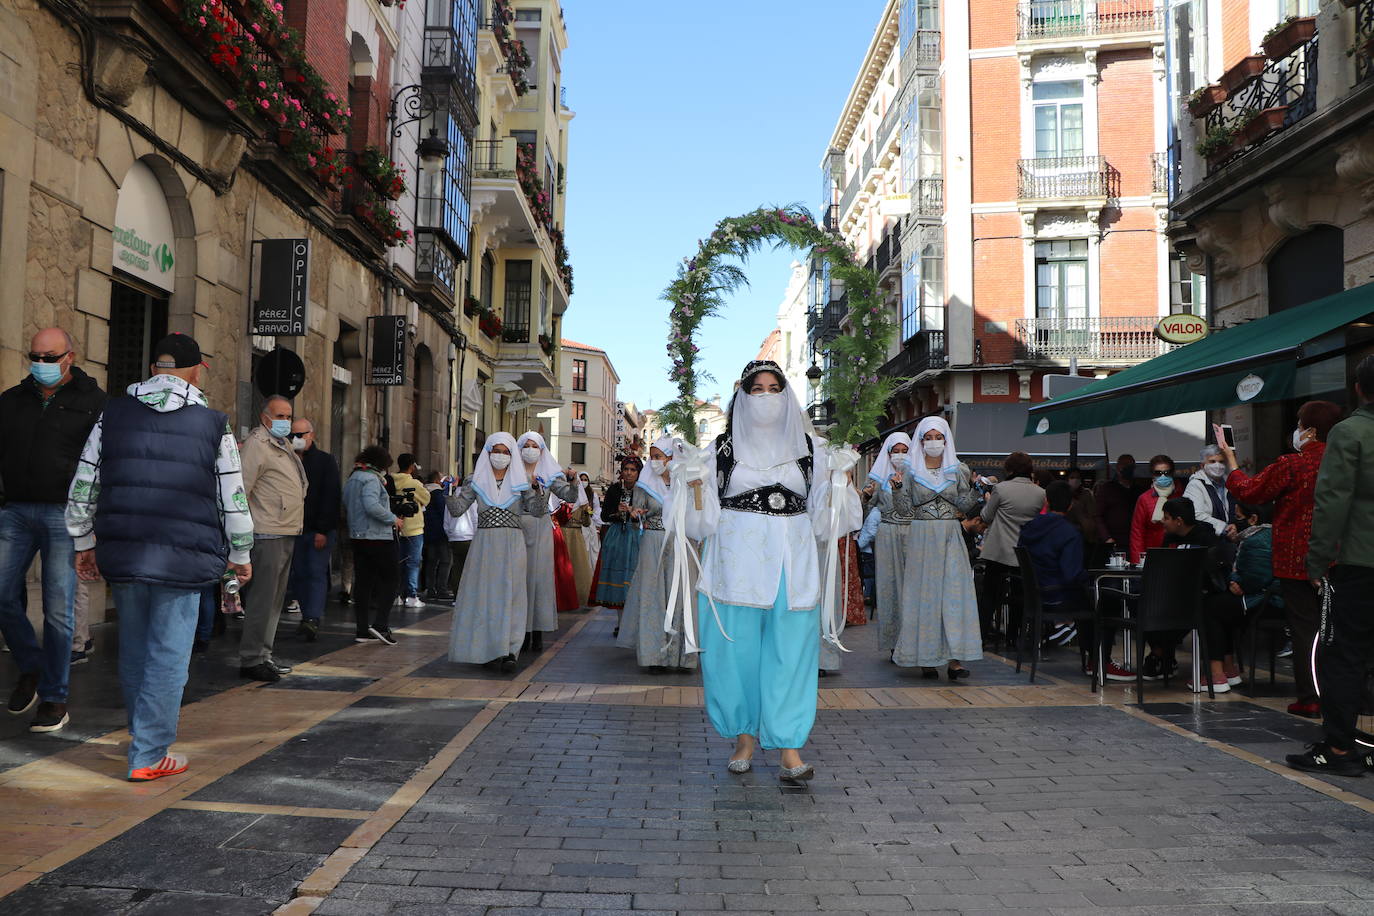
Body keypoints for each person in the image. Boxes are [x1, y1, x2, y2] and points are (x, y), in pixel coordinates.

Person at [65, 333, 253, 780]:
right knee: (168, 655)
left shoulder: (113, 413)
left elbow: (84, 481)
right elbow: (233, 495)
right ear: (195, 371)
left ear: (154, 370)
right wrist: (241, 551)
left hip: (125, 550)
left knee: (134, 650)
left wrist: (83, 541)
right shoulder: (212, 424)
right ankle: (149, 754)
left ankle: (141, 739)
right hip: (184, 557)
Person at [677, 360, 859, 782]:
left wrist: (839, 481)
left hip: (791, 566)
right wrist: (691, 485)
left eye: (773, 387)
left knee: (791, 654)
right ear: (742, 394)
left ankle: (789, 748)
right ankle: (743, 738)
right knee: (733, 655)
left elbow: (829, 521)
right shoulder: (719, 452)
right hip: (734, 566)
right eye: (756, 388)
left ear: (786, 394)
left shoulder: (812, 451)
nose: (765, 396)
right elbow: (698, 523)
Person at [0, 327, 107, 732]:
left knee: (58, 610)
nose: (41, 364)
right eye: (36, 356)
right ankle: (31, 666)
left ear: (69, 357)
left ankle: (55, 698)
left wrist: (93, 521)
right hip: (15, 511)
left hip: (66, 515)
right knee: (2, 593)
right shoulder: (12, 401)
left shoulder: (94, 403)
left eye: (50, 357)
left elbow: (102, 463)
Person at [1219, 401, 1342, 718]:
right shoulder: (1344, 461)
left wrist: (1230, 458)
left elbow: (1249, 490)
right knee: (1340, 629)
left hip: (1296, 558)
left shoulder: (1293, 464)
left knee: (1305, 628)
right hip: (1341, 556)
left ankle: (1310, 697)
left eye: (1300, 424)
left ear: (1311, 430)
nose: (1297, 430)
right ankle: (1344, 694)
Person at [1286, 361, 1374, 777]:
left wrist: (1317, 558)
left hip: (1359, 560)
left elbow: (1333, 500)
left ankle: (1340, 747)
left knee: (1344, 655)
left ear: (1358, 389)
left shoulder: (1351, 432)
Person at [892, 417, 984, 679]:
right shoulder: (909, 471)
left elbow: (965, 506)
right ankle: (927, 659)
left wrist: (978, 488)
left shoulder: (958, 470)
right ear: (920, 441)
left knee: (954, 596)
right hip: (922, 536)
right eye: (928, 437)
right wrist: (897, 490)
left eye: (938, 436)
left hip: (950, 535)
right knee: (926, 596)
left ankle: (955, 661)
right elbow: (904, 511)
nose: (934, 442)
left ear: (946, 439)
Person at [446, 433, 539, 672]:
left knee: (513, 595)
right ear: (488, 453)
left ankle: (510, 650)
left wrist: (538, 489)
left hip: (513, 544)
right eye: (496, 451)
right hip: (485, 544)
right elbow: (457, 510)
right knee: (486, 596)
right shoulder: (474, 480)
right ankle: (488, 648)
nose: (501, 456)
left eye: (506, 452)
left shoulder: (522, 481)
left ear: (512, 455)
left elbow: (538, 510)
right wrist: (446, 491)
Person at [237, 395, 307, 682]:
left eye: (289, 416)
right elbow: (242, 486)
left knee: (275, 601)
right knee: (263, 600)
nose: (286, 421)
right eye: (280, 416)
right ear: (265, 417)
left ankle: (264, 654)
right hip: (267, 530)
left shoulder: (283, 444)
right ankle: (252, 657)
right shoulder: (258, 444)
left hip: (286, 528)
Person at [618, 436, 696, 673]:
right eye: (651, 457)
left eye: (657, 457)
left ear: (671, 457)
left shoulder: (688, 481)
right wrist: (635, 513)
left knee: (681, 596)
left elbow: (697, 510)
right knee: (654, 596)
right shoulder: (645, 484)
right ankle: (655, 656)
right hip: (652, 542)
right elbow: (637, 511)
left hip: (682, 544)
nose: (653, 462)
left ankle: (682, 656)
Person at [1195, 503, 1277, 695]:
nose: (1233, 523)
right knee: (1223, 606)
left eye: (1238, 518)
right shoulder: (1273, 535)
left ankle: (1216, 674)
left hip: (1261, 601)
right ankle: (1229, 669)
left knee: (1210, 608)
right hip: (1268, 599)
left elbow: (1252, 579)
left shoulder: (1256, 540)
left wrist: (1234, 580)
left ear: (1253, 519)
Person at [975, 452, 1046, 641]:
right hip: (1024, 553)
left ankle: (981, 636)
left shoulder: (1001, 489)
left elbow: (987, 516)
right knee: (1019, 596)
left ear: (1010, 469)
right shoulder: (1040, 493)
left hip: (999, 549)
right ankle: (1014, 636)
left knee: (990, 595)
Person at [515, 432, 576, 650]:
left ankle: (537, 629)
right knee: (519, 580)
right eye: (526, 445)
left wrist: (573, 481)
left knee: (539, 580)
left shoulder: (550, 474)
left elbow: (569, 497)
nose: (530, 450)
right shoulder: (512, 473)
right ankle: (518, 630)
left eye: (535, 446)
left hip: (541, 530)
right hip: (516, 529)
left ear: (542, 450)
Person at [285, 418, 340, 642]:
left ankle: (312, 618)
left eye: (301, 434)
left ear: (311, 435)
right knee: (299, 574)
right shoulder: (287, 459)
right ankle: (307, 615)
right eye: (293, 435)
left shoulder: (325, 461)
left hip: (316, 529)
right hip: (293, 528)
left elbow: (331, 496)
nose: (296, 439)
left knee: (315, 572)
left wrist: (323, 530)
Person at [342, 445, 402, 645]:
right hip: (377, 536)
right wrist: (393, 518)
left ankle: (361, 629)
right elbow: (371, 505)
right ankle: (380, 625)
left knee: (364, 582)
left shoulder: (353, 478)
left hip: (358, 536)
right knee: (391, 578)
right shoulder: (371, 479)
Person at [1017, 480, 1092, 638]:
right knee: (1099, 606)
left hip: (1032, 595)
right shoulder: (1069, 533)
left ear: (1047, 502)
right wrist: (1089, 577)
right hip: (1058, 596)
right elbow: (1071, 573)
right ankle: (1096, 659)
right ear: (1071, 504)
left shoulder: (1028, 528)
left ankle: (1064, 625)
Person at [863, 432, 913, 654]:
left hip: (912, 533)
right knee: (888, 586)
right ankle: (893, 642)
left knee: (910, 587)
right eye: (896, 451)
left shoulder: (917, 474)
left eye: (905, 451)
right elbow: (867, 505)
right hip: (886, 533)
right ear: (889, 453)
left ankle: (911, 639)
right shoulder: (877, 476)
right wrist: (866, 496)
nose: (900, 456)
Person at [593, 458, 645, 630]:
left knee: (634, 579)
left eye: (633, 470)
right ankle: (621, 623)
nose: (629, 473)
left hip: (637, 536)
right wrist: (617, 512)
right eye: (626, 469)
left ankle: (635, 624)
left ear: (639, 472)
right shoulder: (614, 490)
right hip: (617, 538)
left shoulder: (645, 490)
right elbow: (604, 516)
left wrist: (635, 513)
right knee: (619, 580)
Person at [390, 453, 430, 608]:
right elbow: (426, 499)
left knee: (398, 562)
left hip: (396, 525)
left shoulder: (391, 481)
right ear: (412, 466)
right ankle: (411, 595)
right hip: (414, 527)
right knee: (413, 562)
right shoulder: (415, 484)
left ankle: (396, 595)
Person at [1128, 454, 1180, 565]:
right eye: (1158, 473)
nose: (1163, 476)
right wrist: (1138, 562)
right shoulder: (1144, 499)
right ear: (1152, 475)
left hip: (1177, 554)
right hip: (1152, 555)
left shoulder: (1181, 495)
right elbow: (1137, 532)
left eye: (1167, 472)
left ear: (1172, 473)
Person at [555, 474, 595, 607]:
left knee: (576, 567)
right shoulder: (558, 501)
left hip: (572, 535)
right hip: (566, 535)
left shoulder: (578, 502)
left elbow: (587, 522)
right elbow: (586, 522)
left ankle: (576, 597)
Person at [1184, 445, 1237, 538]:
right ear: (1202, 465)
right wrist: (1224, 528)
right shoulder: (1195, 485)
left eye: (1221, 462)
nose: (1218, 465)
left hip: (1228, 541)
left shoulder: (1228, 484)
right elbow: (1195, 514)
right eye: (1212, 461)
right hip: (1205, 541)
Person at [1094, 454, 1140, 556]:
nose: (1127, 468)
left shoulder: (1138, 489)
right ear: (1118, 467)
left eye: (1130, 465)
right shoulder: (1106, 489)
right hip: (1113, 542)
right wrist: (1107, 538)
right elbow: (1097, 515)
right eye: (1124, 465)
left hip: (1134, 541)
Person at [422, 471, 453, 601]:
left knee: (431, 562)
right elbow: (444, 513)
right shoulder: (438, 494)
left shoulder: (423, 492)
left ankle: (430, 588)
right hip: (440, 532)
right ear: (436, 481)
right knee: (446, 561)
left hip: (427, 532)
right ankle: (442, 588)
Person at [443, 476, 476, 595]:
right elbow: (474, 517)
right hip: (469, 536)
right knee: (470, 568)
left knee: (457, 567)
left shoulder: (451, 497)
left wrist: (449, 533)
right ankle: (467, 594)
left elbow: (446, 519)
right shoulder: (471, 497)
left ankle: (457, 595)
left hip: (454, 537)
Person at [1063, 468, 1101, 565]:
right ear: (1067, 479)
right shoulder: (1063, 494)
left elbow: (1092, 514)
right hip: (1067, 537)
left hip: (1085, 539)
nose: (1075, 480)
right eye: (1072, 477)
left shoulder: (1087, 494)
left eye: (1077, 477)